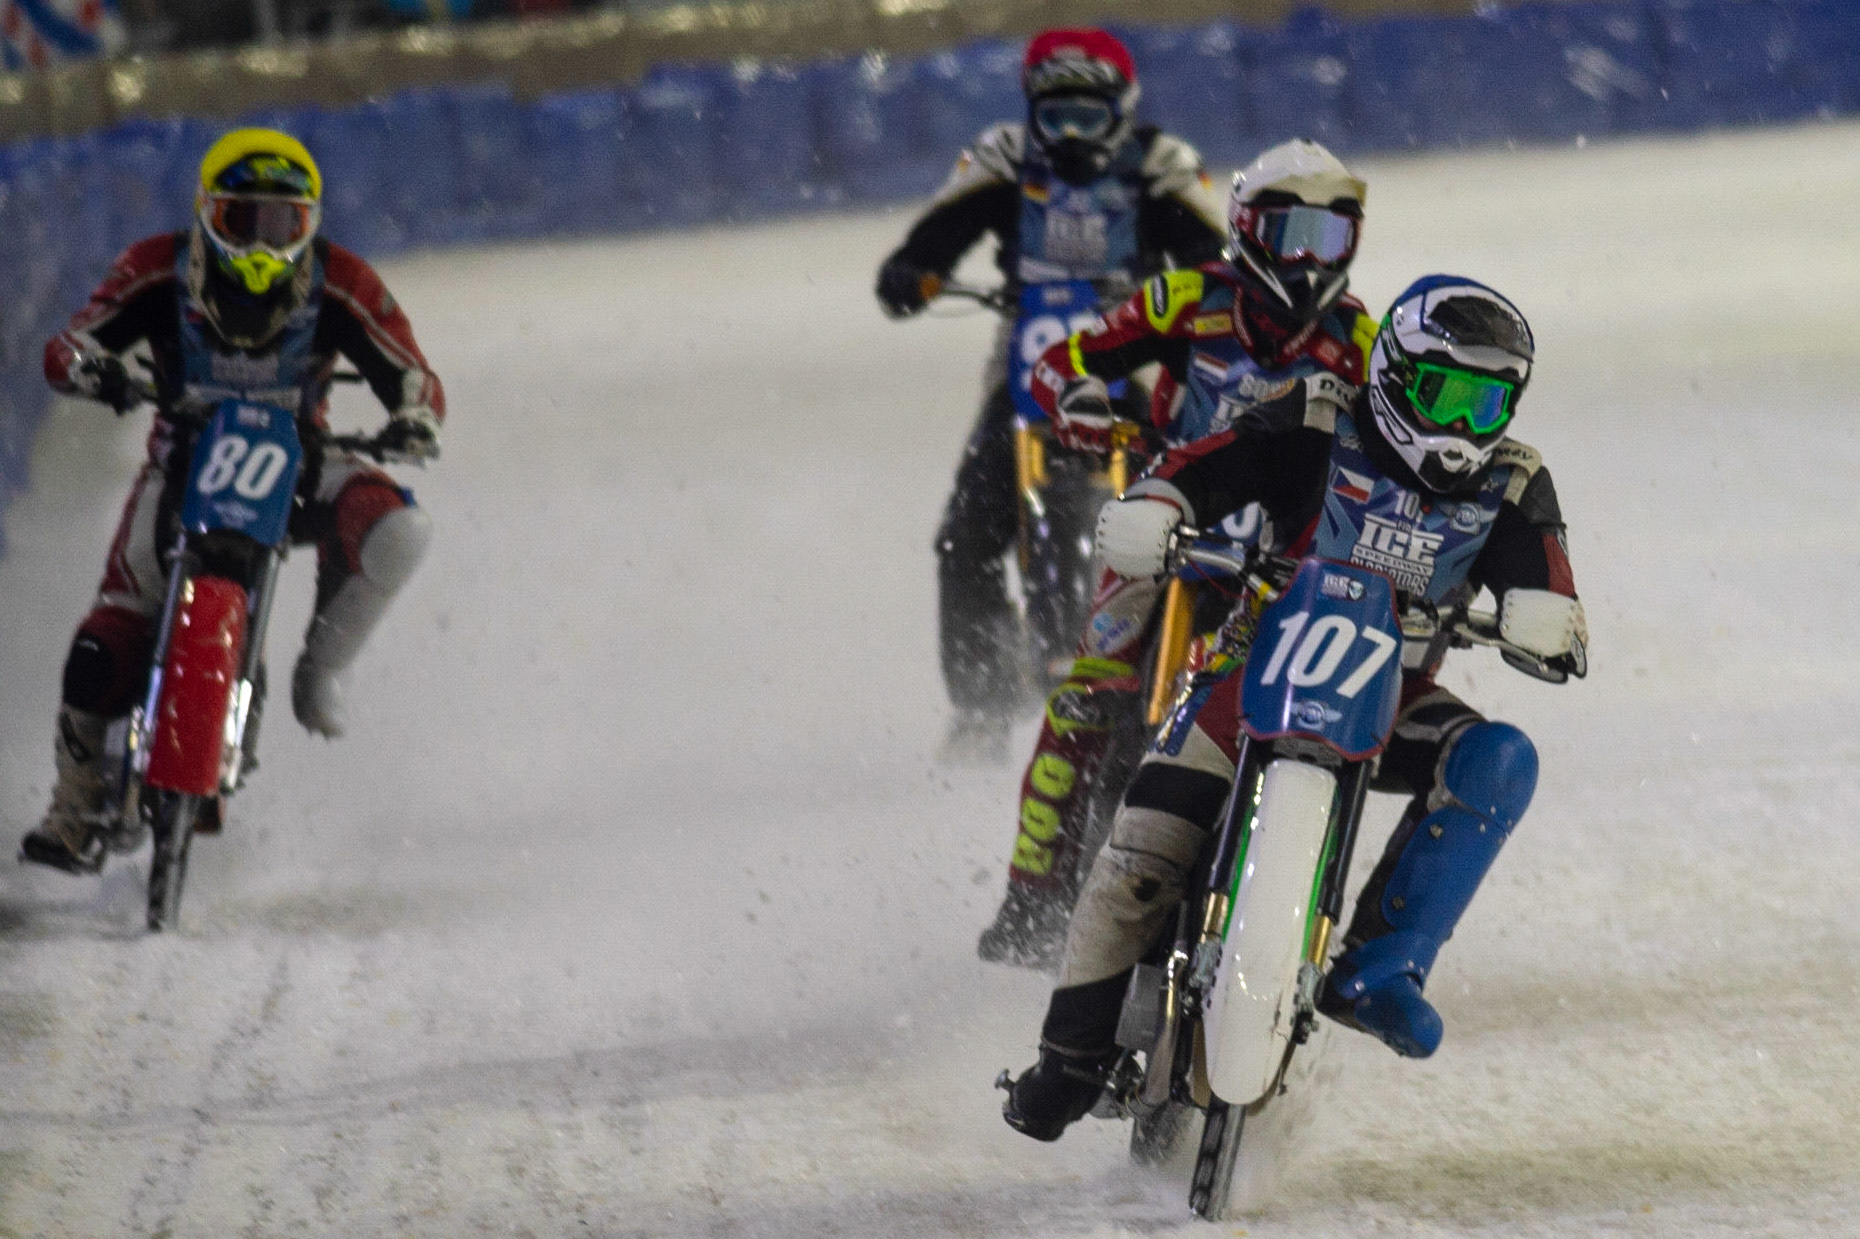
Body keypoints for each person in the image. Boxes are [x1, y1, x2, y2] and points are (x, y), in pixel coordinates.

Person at [1001, 275, 1588, 1140]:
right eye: (1444, 392)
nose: (1463, 426)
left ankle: (1383, 967)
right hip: (1248, 672)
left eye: (1487, 399)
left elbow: (1550, 585)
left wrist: (1551, 618)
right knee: (1144, 845)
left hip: (1391, 696)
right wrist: (1159, 508)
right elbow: (1199, 468)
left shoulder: (1513, 481)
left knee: (1500, 757)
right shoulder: (1316, 415)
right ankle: (1070, 1055)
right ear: (1391, 373)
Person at [978, 139, 1373, 966]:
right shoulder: (1186, 298)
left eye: (1327, 240)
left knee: (1305, 717)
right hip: (1165, 526)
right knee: (1087, 693)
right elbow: (1066, 359)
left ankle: (1288, 913)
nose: (1305, 261)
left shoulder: (1359, 340)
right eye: (1287, 232)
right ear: (1244, 228)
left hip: (1282, 553)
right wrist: (1080, 401)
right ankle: (1031, 894)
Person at [18, 127, 444, 874]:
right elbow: (74, 341)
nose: (263, 243)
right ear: (207, 214)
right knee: (100, 649)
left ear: (310, 224)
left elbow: (412, 372)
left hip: (300, 458)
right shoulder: (156, 268)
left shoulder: (341, 281)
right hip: (180, 460)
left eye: (284, 224)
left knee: (400, 530)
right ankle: (78, 801)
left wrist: (412, 419)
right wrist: (94, 371)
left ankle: (322, 668)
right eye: (244, 220)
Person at [874, 27, 1226, 759]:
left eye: (1088, 117)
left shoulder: (1160, 165)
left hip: (1133, 364)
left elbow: (1217, 259)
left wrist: (1194, 297)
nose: (1070, 135)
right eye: (1055, 115)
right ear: (1031, 110)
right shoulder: (1004, 158)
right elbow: (936, 236)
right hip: (1026, 370)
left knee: (1196, 524)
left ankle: (1173, 686)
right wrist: (914, 271)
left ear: (1122, 109)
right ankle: (985, 702)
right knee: (964, 537)